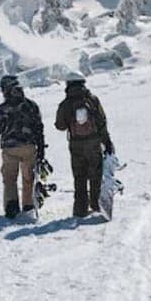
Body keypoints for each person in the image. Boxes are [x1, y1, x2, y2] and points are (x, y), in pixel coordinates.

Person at [0, 74, 47, 219]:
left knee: (9, 178)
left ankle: (11, 207)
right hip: (29, 147)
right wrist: (41, 147)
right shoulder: (31, 105)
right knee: (28, 178)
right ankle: (28, 205)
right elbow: (39, 127)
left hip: (10, 148)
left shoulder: (3, 108)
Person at [54, 76, 114, 217]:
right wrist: (107, 141)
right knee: (96, 175)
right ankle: (96, 205)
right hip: (93, 143)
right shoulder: (92, 100)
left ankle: (80, 209)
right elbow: (101, 122)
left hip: (76, 145)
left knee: (79, 176)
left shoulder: (66, 103)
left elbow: (60, 126)